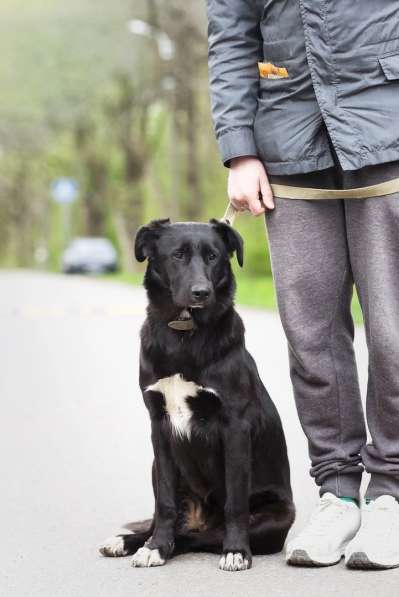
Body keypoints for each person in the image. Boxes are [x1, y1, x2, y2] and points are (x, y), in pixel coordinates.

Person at [206, 0, 399, 570]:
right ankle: (337, 493)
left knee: (393, 332)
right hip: (288, 143)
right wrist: (239, 149)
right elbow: (232, 38)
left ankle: (391, 492)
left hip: (389, 133)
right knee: (310, 335)